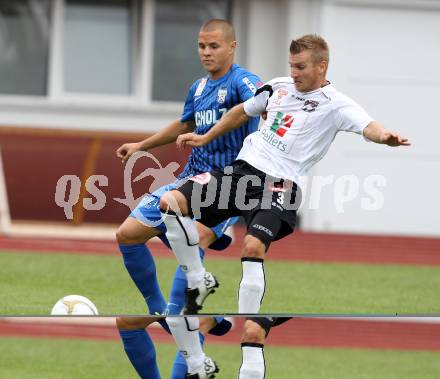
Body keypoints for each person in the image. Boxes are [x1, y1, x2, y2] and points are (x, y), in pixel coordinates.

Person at [159, 34, 411, 315]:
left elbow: (368, 126)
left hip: (280, 185)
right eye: (291, 65)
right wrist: (205, 137)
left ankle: (246, 321)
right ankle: (198, 280)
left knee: (253, 246)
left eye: (301, 67)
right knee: (170, 203)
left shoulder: (337, 104)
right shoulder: (277, 87)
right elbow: (241, 112)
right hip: (241, 172)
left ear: (322, 66)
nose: (293, 73)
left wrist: (385, 136)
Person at [115, 19, 261, 378]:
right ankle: (164, 308)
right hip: (186, 182)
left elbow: (262, 102)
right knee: (128, 234)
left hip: (227, 187)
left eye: (214, 46)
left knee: (188, 266)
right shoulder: (197, 88)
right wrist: (140, 145)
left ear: (232, 47)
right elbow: (183, 125)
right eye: (201, 46)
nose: (207, 53)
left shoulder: (243, 81)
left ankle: (193, 324)